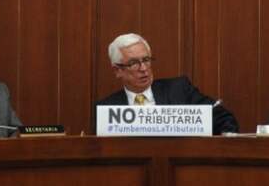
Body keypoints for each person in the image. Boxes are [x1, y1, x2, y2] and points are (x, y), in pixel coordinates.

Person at [95, 33, 239, 135]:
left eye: (146, 60)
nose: (143, 68)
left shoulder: (178, 90)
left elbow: (223, 118)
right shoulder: (105, 110)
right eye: (133, 63)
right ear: (117, 70)